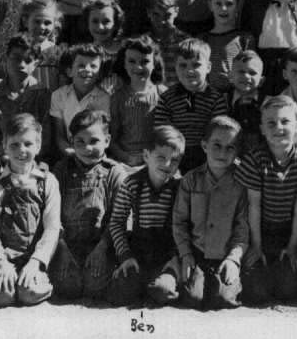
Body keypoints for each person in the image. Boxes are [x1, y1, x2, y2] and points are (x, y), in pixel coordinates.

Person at [235, 95, 297, 304]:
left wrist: (292, 246)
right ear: (262, 128)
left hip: (290, 230)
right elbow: (253, 205)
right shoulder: (256, 159)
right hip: (261, 229)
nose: (278, 127)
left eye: (285, 121)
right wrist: (256, 245)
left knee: (288, 290)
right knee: (257, 293)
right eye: (271, 123)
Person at [0, 114, 61, 307]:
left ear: (38, 146)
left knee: (29, 294)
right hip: (5, 257)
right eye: (14, 145)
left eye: (28, 144)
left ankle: (41, 279)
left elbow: (52, 228)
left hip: (34, 257)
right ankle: (3, 280)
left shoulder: (48, 182)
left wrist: (36, 262)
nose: (21, 150)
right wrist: (0, 262)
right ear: (5, 146)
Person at [49, 109, 127, 300]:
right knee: (68, 289)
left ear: (107, 140)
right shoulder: (62, 169)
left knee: (95, 287)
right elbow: (51, 214)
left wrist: (103, 248)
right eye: (80, 142)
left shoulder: (115, 173)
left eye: (94, 141)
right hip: (67, 244)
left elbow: (119, 217)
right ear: (71, 141)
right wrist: (61, 248)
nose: (87, 148)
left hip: (101, 244)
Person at [173, 116, 249, 310]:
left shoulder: (242, 182)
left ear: (237, 151)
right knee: (193, 298)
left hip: (225, 255)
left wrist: (234, 258)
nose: (223, 152)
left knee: (223, 300)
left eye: (230, 147)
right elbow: (179, 222)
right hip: (197, 254)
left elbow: (242, 227)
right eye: (217, 145)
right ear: (204, 145)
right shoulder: (190, 180)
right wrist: (186, 254)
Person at [106, 125, 183, 306]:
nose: (167, 165)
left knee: (162, 292)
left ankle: (165, 282)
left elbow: (186, 226)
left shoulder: (179, 187)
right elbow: (117, 222)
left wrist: (177, 257)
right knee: (119, 293)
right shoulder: (132, 184)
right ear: (147, 156)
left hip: (167, 255)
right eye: (161, 157)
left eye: (174, 160)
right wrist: (125, 255)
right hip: (139, 253)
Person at [152, 38, 228, 173]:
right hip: (175, 154)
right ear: (175, 67)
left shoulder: (216, 98)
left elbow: (219, 130)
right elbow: (162, 131)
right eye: (183, 65)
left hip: (206, 154)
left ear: (208, 67)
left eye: (196, 65)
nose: (189, 71)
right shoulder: (167, 98)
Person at [0, 35, 52, 161]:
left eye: (28, 60)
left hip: (35, 159)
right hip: (1, 159)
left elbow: (45, 140)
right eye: (16, 58)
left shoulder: (43, 95)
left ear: (36, 63)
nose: (21, 65)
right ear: (5, 59)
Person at [109, 36, 166, 168]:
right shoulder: (117, 98)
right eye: (132, 61)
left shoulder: (163, 94)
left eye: (145, 61)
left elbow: (168, 135)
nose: (138, 67)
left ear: (154, 63)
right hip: (126, 160)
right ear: (124, 64)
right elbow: (112, 139)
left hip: (156, 159)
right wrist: (127, 158)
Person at [50, 44, 111, 158]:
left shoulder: (104, 98)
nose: (87, 69)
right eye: (81, 65)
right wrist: (71, 152)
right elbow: (59, 135)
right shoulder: (58, 96)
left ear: (99, 74)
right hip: (68, 153)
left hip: (94, 153)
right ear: (69, 71)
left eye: (93, 66)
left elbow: (103, 134)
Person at [199, 0, 255, 92]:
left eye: (229, 4)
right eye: (218, 4)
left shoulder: (245, 39)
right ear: (210, 5)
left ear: (237, 5)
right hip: (209, 100)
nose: (223, 8)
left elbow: (251, 72)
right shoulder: (202, 39)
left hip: (236, 98)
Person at [17, 0, 65, 92]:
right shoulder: (17, 50)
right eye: (37, 21)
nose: (42, 27)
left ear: (55, 24)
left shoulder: (58, 53)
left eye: (47, 23)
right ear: (25, 21)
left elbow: (63, 87)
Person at [144, 0, 189, 88]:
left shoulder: (185, 42)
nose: (162, 21)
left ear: (176, 11)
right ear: (148, 13)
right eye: (156, 14)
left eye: (167, 15)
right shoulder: (144, 43)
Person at [226, 50, 266, 157]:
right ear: (230, 76)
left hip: (261, 154)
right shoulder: (224, 100)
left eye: (252, 73)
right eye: (241, 72)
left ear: (261, 80)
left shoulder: (267, 102)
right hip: (231, 153)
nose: (247, 76)